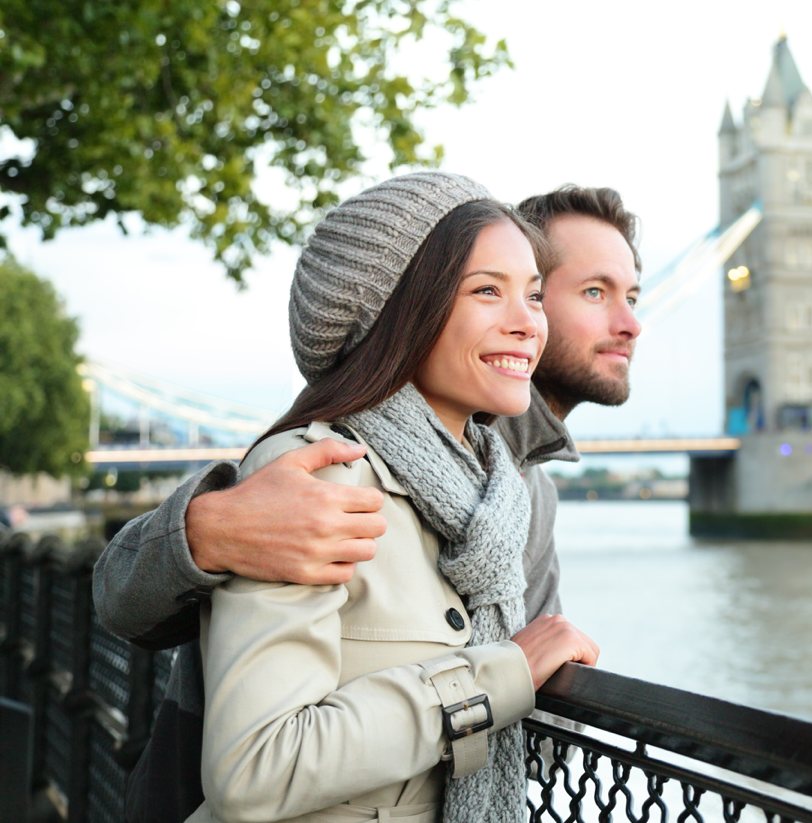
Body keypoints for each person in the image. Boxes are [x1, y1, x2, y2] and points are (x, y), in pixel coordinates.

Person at [92, 183, 643, 821]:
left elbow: (529, 718)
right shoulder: (328, 469)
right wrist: (205, 529)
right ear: (401, 308)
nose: (628, 322)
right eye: (594, 293)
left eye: (535, 293)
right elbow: (252, 762)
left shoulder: (516, 493)